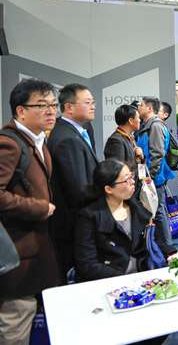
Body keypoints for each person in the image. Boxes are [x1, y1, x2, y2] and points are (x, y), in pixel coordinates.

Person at [0, 79, 60, 345]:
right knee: (16, 323)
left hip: (36, 249)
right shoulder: (9, 143)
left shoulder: (37, 140)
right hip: (17, 252)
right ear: (21, 110)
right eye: (42, 105)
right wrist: (39, 208)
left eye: (54, 105)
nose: (51, 111)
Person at [74, 159, 175, 281]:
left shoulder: (136, 208)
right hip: (110, 281)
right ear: (109, 189)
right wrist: (124, 280)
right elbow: (87, 264)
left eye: (132, 176)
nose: (133, 182)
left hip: (143, 275)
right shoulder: (89, 217)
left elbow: (155, 240)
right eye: (127, 180)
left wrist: (171, 253)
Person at [47, 83, 98, 280]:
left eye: (93, 102)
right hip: (73, 224)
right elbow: (79, 190)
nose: (93, 106)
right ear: (69, 107)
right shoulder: (67, 139)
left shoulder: (75, 131)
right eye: (88, 102)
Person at [136, 97, 174, 242]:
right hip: (151, 177)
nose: (139, 107)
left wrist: (150, 177)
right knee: (156, 211)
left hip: (154, 178)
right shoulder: (148, 125)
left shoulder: (155, 126)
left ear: (149, 108)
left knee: (158, 212)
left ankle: (167, 247)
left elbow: (157, 154)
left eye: (141, 105)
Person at [104, 105, 144, 190]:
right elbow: (118, 172)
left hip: (134, 187)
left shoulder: (130, 138)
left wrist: (141, 157)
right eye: (138, 118)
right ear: (131, 121)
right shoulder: (115, 141)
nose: (140, 120)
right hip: (126, 190)